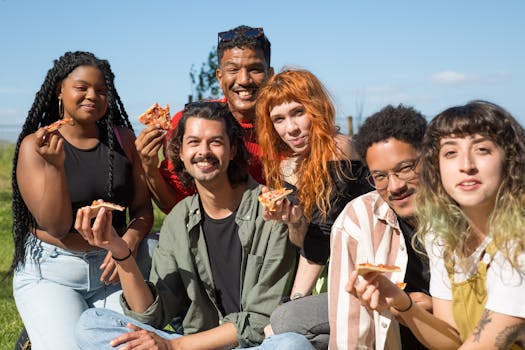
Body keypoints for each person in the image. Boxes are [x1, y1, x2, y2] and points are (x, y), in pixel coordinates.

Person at [74, 102, 309, 349]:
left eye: (216, 142)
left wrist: (174, 346)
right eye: (194, 142)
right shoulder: (179, 218)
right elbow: (151, 315)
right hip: (193, 343)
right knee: (91, 324)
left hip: (252, 344)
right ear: (180, 153)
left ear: (232, 150)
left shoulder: (271, 210)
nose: (203, 151)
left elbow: (260, 321)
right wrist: (120, 250)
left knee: (292, 345)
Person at [350, 101, 525, 348]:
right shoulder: (443, 235)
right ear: (435, 166)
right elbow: (451, 339)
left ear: (510, 159)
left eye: (482, 149)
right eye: (451, 153)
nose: (466, 165)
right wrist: (401, 302)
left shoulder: (517, 240)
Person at [10, 51, 153, 350]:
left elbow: (141, 208)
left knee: (130, 345)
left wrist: (128, 242)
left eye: (101, 91)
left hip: (113, 270)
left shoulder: (124, 138)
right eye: (82, 87)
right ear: (60, 90)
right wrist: (55, 167)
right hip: (53, 272)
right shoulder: (37, 145)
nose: (93, 96)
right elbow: (58, 226)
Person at [254, 69, 372, 349]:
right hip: (331, 279)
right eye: (279, 119)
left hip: (365, 276)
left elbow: (321, 238)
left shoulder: (337, 149)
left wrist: (293, 302)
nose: (290, 129)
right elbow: (304, 240)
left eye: (298, 112)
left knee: (283, 323)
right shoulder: (292, 165)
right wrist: (294, 222)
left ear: (317, 108)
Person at [135, 25, 273, 213]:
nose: (244, 80)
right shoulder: (191, 123)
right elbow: (174, 206)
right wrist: (149, 167)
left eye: (255, 69)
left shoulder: (287, 129)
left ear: (270, 75)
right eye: (233, 69)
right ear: (219, 76)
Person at [329, 105, 432, 349]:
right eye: (380, 177)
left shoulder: (467, 210)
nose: (395, 186)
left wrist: (434, 307)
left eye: (405, 169)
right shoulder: (356, 220)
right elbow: (350, 326)